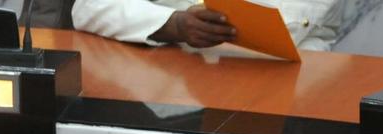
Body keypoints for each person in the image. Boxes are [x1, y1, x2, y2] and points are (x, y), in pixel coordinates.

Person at [71, 0, 344, 51]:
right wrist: (173, 24)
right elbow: (89, 7)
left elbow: (285, 29)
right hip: (168, 94)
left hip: (285, 95)